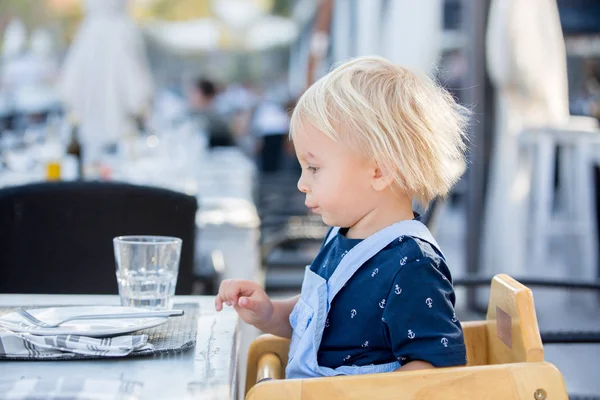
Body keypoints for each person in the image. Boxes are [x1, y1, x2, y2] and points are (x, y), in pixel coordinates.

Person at [215, 56, 469, 379]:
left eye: (315, 168)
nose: (301, 183)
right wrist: (269, 313)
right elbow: (321, 321)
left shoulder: (413, 265)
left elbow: (436, 374)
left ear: (380, 171)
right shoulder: (342, 235)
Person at [189, 78, 235, 148]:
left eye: (194, 93)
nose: (190, 96)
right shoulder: (195, 114)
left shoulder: (217, 116)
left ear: (206, 95)